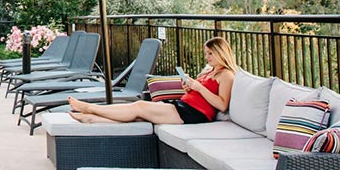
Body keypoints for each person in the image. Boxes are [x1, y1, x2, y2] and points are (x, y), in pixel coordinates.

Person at [67, 36, 236, 125]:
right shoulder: (210, 71)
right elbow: (198, 93)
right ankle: (91, 119)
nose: (207, 57)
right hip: (182, 105)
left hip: (193, 113)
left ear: (221, 53)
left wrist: (199, 88)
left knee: (139, 106)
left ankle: (90, 108)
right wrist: (189, 88)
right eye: (206, 53)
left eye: (210, 53)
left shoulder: (226, 75)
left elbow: (222, 105)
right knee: (136, 116)